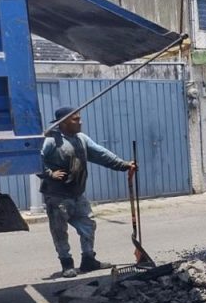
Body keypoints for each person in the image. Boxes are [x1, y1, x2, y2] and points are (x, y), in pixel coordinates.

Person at [37, 107, 136, 278]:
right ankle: (67, 264)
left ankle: (88, 260)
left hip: (77, 194)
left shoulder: (81, 139)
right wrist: (48, 173)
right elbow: (33, 158)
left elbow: (101, 154)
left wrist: (123, 165)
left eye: (79, 118)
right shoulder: (51, 141)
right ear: (64, 123)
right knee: (60, 231)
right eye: (75, 119)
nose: (80, 122)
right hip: (57, 196)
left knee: (88, 226)